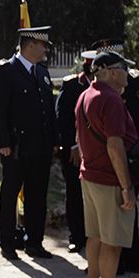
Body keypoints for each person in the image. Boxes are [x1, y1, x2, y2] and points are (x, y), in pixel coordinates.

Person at [75, 51, 139, 278]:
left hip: (90, 175)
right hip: (109, 178)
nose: (128, 74)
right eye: (125, 68)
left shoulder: (86, 94)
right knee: (113, 242)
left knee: (95, 237)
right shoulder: (111, 99)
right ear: (112, 72)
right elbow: (115, 145)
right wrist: (126, 186)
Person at [0, 25, 57, 260]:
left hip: (40, 147)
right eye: (43, 45)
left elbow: (48, 111)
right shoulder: (7, 70)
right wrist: (3, 141)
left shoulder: (41, 72)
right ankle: (8, 242)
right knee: (10, 194)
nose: (45, 49)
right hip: (16, 147)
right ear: (30, 45)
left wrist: (53, 142)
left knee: (38, 196)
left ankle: (34, 242)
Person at [87, 38, 139, 275]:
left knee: (126, 212)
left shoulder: (136, 81)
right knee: (111, 220)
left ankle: (130, 258)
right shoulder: (99, 91)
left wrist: (137, 149)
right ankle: (117, 264)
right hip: (112, 155)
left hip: (131, 153)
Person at [55, 52, 93, 254]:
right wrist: (72, 145)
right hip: (74, 151)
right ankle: (76, 236)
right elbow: (62, 118)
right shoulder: (72, 85)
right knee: (75, 194)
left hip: (97, 153)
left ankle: (92, 236)